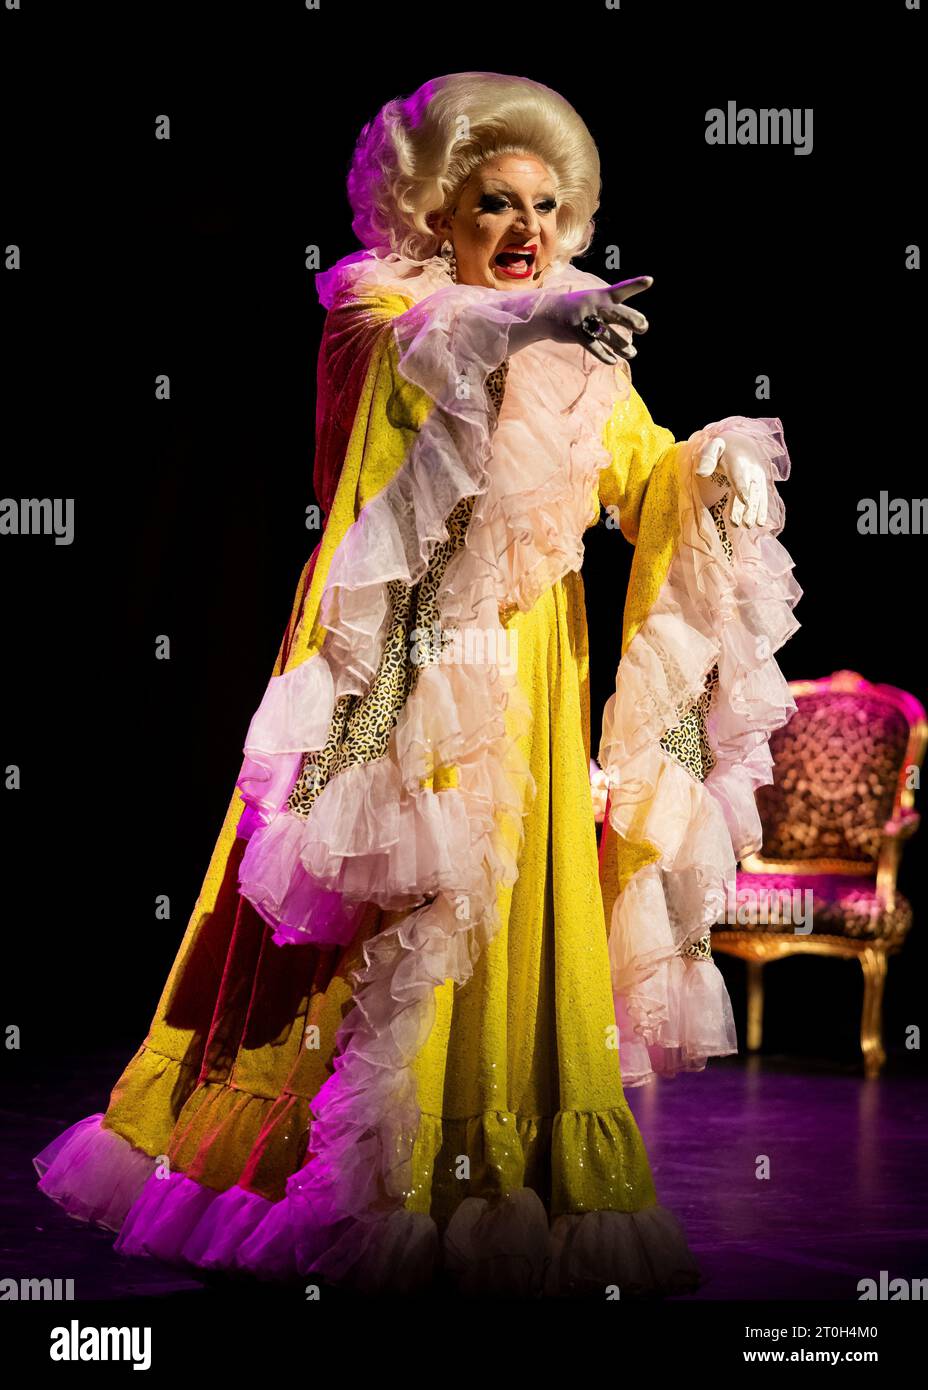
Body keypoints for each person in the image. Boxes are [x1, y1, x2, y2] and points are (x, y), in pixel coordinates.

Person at [33, 71, 801, 1297]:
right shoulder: (374, 307)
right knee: (390, 907)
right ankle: (339, 1179)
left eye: (546, 208)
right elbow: (405, 379)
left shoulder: (574, 331)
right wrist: (524, 333)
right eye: (495, 204)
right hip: (397, 667)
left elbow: (639, 477)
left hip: (536, 673)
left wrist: (714, 472)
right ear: (437, 210)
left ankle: (503, 1175)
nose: (526, 233)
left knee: (514, 907)